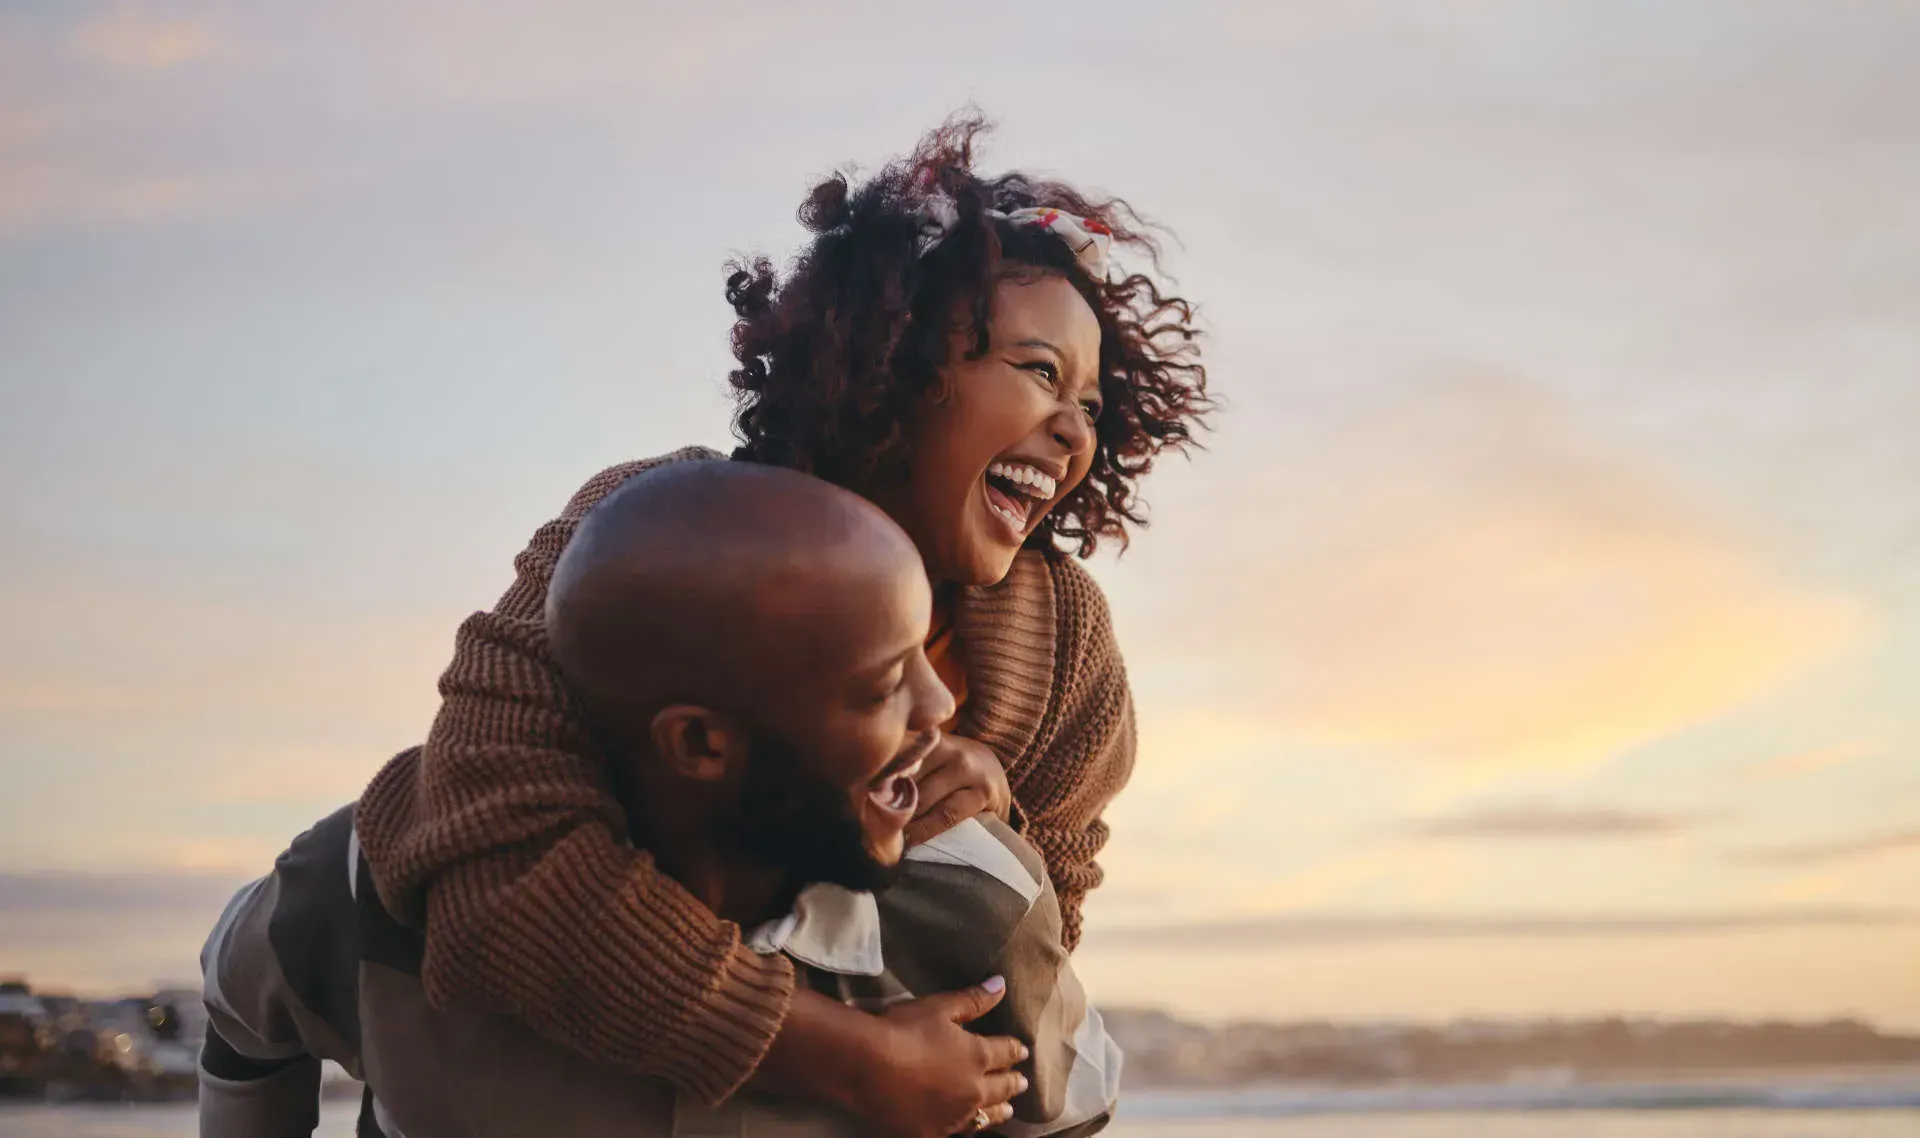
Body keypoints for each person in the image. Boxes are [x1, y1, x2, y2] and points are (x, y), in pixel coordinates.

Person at [351, 111, 1210, 1138]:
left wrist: (1000, 826)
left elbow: (1038, 954)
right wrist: (845, 1060)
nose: (1075, 429)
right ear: (896, 361)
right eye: (1036, 370)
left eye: (1093, 401)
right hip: (545, 1071)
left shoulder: (1063, 641)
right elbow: (495, 866)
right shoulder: (647, 533)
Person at [198, 463, 1118, 1137]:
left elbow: (1070, 1110)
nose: (945, 708)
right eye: (883, 685)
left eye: (930, 650)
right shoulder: (380, 882)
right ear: (701, 742)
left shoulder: (976, 903)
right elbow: (242, 1009)